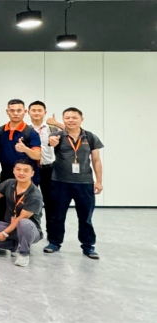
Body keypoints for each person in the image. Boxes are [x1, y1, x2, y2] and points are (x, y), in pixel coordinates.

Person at [44, 107, 104, 259]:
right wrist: (51, 141)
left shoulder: (90, 137)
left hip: (85, 183)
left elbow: (96, 160)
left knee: (85, 217)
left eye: (74, 117)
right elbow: (51, 143)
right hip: (60, 182)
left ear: (81, 119)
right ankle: (54, 242)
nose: (70, 120)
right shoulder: (57, 135)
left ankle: (88, 246)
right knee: (57, 215)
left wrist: (99, 181)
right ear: (63, 119)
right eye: (67, 118)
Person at [0, 158, 44, 267]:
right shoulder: (10, 183)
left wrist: (4, 233)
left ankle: (24, 254)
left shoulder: (35, 195)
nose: (21, 173)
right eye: (18, 169)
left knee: (23, 223)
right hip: (9, 225)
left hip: (30, 229)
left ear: (32, 173)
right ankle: (14, 246)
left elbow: (21, 218)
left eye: (26, 170)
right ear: (14, 171)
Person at [0, 99, 42, 222]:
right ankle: (0, 231)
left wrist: (25, 149)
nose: (15, 113)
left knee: (25, 210)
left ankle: (26, 232)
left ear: (24, 111)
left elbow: (37, 155)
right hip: (6, 176)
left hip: (25, 177)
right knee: (1, 207)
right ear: (7, 111)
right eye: (12, 110)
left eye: (19, 110)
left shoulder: (31, 133)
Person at [28, 100, 56, 241]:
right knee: (29, 201)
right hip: (31, 170)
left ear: (45, 112)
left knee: (51, 203)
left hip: (48, 169)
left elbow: (72, 134)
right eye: (34, 110)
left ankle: (52, 236)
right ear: (28, 112)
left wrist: (58, 124)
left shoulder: (52, 128)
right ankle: (30, 232)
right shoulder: (25, 129)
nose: (37, 113)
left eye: (40, 110)